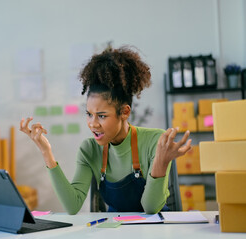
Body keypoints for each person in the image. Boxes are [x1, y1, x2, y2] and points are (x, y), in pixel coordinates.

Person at [20, 46, 192, 214]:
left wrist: (161, 162)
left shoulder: (155, 141)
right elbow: (72, 206)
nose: (93, 124)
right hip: (113, 229)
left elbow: (150, 208)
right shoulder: (90, 149)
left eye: (102, 116)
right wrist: (46, 152)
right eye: (89, 114)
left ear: (124, 112)